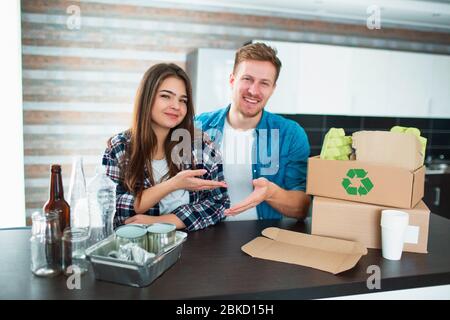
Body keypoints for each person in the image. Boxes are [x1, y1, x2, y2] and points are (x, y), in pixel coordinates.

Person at [102, 63, 230, 231]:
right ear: (147, 98)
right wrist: (173, 184)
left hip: (194, 248)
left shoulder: (201, 145)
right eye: (166, 96)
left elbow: (219, 204)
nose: (176, 106)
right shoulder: (119, 148)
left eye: (182, 100)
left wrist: (158, 221)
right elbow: (112, 209)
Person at [196, 43, 311, 221]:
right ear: (232, 80)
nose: (253, 90)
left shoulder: (291, 134)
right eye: (247, 79)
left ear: (272, 89)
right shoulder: (198, 127)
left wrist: (271, 193)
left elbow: (301, 208)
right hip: (206, 233)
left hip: (262, 239)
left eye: (264, 83)